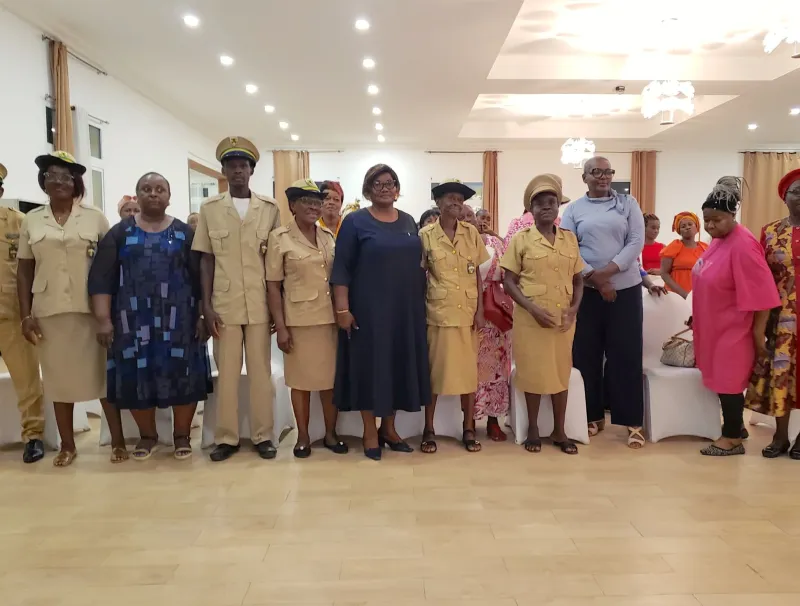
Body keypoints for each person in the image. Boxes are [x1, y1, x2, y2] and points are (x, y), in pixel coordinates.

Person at [88, 172, 211, 461]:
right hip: (133, 321)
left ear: (169, 197)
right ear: (138, 195)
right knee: (136, 375)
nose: (153, 194)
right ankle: (148, 436)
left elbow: (202, 278)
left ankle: (181, 435)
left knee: (184, 375)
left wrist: (203, 314)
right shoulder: (120, 234)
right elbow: (101, 278)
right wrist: (104, 320)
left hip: (180, 320)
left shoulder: (185, 233)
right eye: (146, 189)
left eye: (159, 189)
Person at [17, 151, 127, 466]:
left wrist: (110, 313)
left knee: (104, 380)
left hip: (91, 311)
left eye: (66, 177)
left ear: (76, 182)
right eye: (51, 175)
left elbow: (110, 267)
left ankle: (117, 442)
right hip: (49, 313)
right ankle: (68, 445)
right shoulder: (32, 220)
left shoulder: (95, 218)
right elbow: (24, 270)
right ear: (43, 181)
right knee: (58, 380)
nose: (59, 181)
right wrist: (26, 315)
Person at [331, 164, 430, 460]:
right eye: (378, 183)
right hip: (369, 311)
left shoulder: (410, 221)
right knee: (369, 369)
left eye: (390, 183)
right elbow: (341, 269)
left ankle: (389, 427)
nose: (385, 188)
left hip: (405, 310)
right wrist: (343, 309)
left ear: (397, 189)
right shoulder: (355, 222)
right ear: (368, 189)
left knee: (398, 366)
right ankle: (369, 431)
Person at [192, 137, 281, 462]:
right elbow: (205, 259)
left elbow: (275, 261)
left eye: (243, 166)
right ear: (224, 171)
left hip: (258, 303)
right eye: (231, 166)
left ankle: (263, 436)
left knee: (260, 373)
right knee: (226, 373)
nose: (237, 171)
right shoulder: (210, 209)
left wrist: (277, 308)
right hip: (224, 305)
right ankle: (226, 437)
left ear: (252, 170)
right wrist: (206, 306)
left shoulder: (269, 209)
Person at [559, 156, 646, 449]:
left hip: (626, 288)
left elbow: (635, 241)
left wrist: (609, 273)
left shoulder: (628, 204)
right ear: (584, 177)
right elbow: (568, 247)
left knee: (626, 354)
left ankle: (632, 420)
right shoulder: (574, 210)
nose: (603, 177)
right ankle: (592, 416)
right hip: (587, 291)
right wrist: (594, 279)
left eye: (607, 171)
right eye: (596, 172)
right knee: (587, 354)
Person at [692, 177, 780, 456]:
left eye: (716, 220)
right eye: (706, 220)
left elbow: (763, 294)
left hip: (735, 327)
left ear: (732, 215)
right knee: (720, 379)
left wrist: (757, 334)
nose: (710, 226)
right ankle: (735, 428)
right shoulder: (719, 241)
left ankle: (732, 438)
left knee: (729, 380)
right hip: (714, 323)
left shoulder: (743, 245)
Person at [502, 174, 583, 454]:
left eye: (552, 202)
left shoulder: (570, 240)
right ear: (531, 209)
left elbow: (578, 279)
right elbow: (508, 281)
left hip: (562, 320)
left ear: (558, 207)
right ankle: (534, 429)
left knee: (561, 374)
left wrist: (574, 308)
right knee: (533, 373)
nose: (547, 207)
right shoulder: (521, 240)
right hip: (530, 320)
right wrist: (532, 308)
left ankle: (560, 431)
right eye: (540, 204)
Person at [266, 180, 347, 458]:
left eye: (317, 202)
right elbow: (273, 286)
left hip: (328, 320)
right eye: (307, 202)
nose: (314, 207)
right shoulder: (280, 238)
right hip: (298, 322)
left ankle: (330, 433)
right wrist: (281, 327)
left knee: (329, 381)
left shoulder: (327, 237)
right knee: (300, 383)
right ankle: (303, 436)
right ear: (292, 206)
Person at [420, 180, 490, 454]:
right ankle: (428, 428)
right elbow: (420, 277)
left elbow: (478, 276)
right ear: (438, 203)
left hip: (467, 313)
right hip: (437, 313)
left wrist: (481, 310)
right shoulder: (426, 235)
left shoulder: (471, 233)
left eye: (459, 199)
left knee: (468, 376)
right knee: (434, 374)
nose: (455, 202)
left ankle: (469, 427)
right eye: (449, 198)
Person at [746, 168, 800, 459]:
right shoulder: (771, 231)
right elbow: (760, 277)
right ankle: (780, 436)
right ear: (785, 197)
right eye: (796, 191)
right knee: (781, 374)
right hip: (781, 316)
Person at [0, 163, 46, 463]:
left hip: (13, 316)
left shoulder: (19, 223)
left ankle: (33, 437)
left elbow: (32, 269)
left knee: (28, 382)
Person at [464, 205, 511, 440]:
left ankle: (494, 420)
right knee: (468, 369)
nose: (471, 221)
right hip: (465, 311)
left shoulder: (495, 244)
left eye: (471, 216)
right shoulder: (459, 245)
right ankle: (469, 419)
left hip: (494, 317)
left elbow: (508, 272)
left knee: (496, 370)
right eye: (463, 218)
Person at [660, 212, 708, 298]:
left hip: (701, 295)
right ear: (679, 231)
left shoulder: (705, 248)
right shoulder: (674, 246)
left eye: (690, 224)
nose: (687, 227)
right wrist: (683, 294)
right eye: (683, 226)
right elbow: (664, 273)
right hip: (675, 295)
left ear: (697, 227)